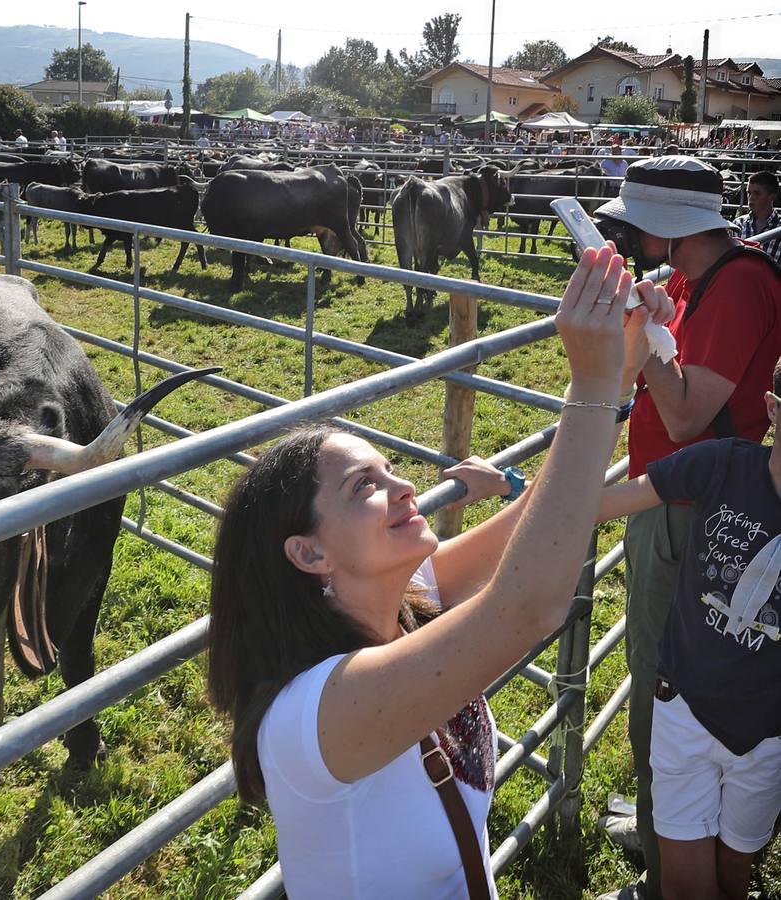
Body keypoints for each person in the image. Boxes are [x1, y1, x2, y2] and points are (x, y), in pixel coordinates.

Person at [207, 246, 666, 899]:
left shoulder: (399, 598)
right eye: (366, 485)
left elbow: (535, 521)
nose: (403, 486)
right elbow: (526, 607)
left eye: (390, 468)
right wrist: (590, 384)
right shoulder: (318, 713)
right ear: (309, 553)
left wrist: (615, 374)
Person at [591, 156, 781, 900]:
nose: (627, 233)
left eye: (635, 221)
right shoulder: (690, 280)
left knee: (667, 680)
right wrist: (643, 327)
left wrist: (647, 330)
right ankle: (672, 833)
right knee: (669, 674)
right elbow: (633, 372)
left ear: (666, 224)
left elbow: (683, 412)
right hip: (675, 504)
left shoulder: (736, 285)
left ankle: (669, 873)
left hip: (689, 514)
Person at [732, 171, 781, 264]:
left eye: (757, 193)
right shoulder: (738, 224)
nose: (751, 198)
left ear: (772, 196)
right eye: (749, 193)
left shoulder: (779, 227)